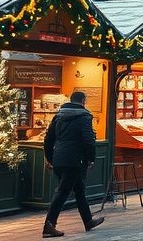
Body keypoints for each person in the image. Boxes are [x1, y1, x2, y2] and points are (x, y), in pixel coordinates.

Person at [42, 91, 103, 238]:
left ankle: (88, 221)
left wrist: (50, 158)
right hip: (75, 159)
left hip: (59, 157)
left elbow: (48, 139)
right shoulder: (84, 117)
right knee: (63, 191)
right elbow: (89, 140)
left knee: (79, 189)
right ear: (83, 101)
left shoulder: (58, 116)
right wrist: (91, 158)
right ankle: (49, 225)